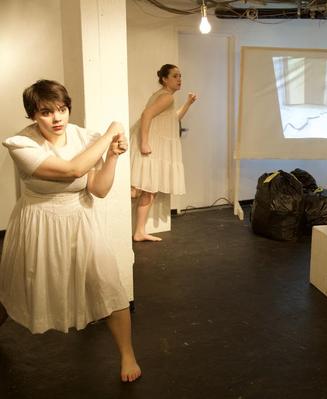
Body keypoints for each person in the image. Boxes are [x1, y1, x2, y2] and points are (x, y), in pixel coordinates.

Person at [0, 80, 141, 382]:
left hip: (80, 219)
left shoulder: (84, 137)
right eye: (46, 112)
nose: (57, 118)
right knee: (19, 286)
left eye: (62, 109)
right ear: (33, 116)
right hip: (38, 222)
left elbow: (99, 189)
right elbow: (72, 170)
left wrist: (113, 155)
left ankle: (127, 354)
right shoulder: (21, 144)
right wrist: (111, 132)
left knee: (108, 283)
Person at [130, 64, 197, 242]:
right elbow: (146, 115)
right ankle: (136, 231)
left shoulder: (165, 97)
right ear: (165, 79)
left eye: (180, 76)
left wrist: (188, 103)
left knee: (147, 191)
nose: (179, 79)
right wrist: (144, 143)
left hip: (154, 147)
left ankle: (139, 231)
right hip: (151, 147)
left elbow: (172, 120)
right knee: (139, 190)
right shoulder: (166, 97)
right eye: (175, 76)